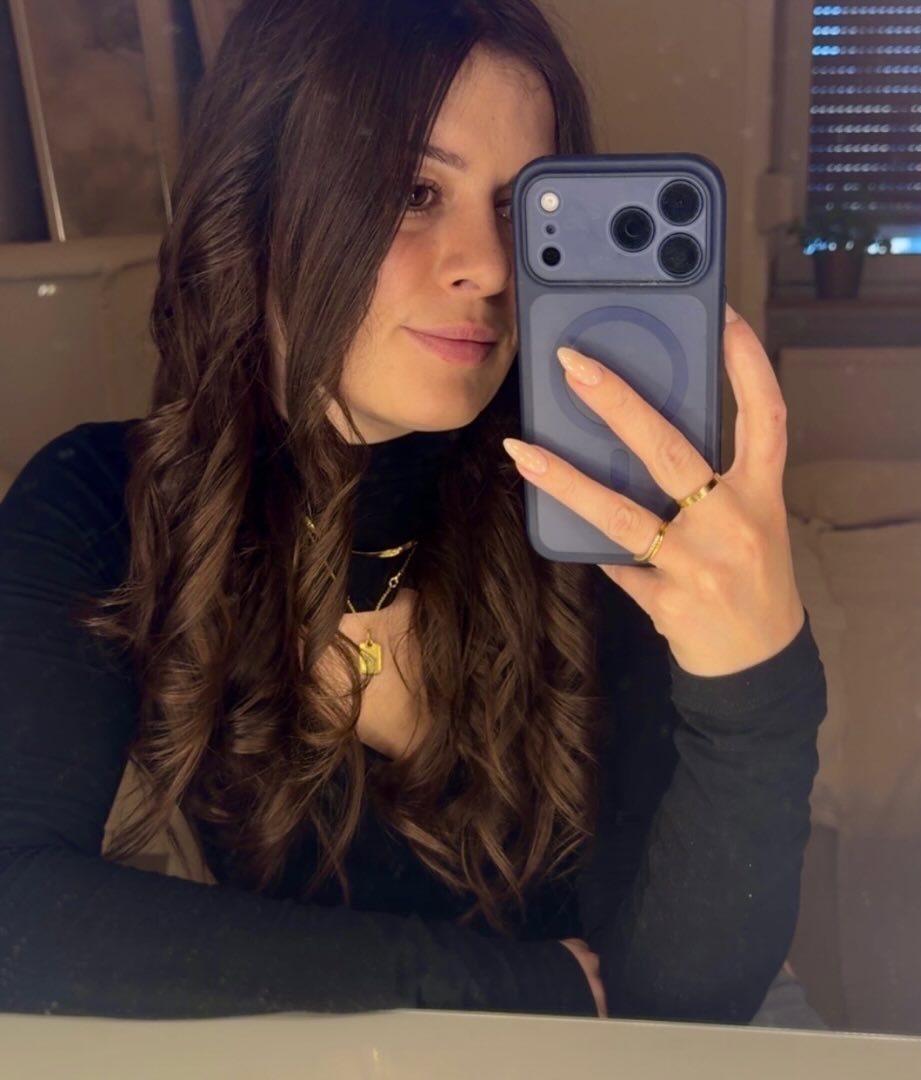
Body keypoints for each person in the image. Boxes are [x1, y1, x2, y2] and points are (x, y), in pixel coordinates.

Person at [0, 0, 825, 1024]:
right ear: (261, 203)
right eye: (412, 191)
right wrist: (494, 987)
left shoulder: (596, 519)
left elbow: (680, 1014)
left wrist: (758, 694)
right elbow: (16, 919)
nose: (492, 267)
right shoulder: (98, 505)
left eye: (521, 209)